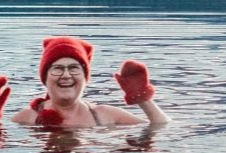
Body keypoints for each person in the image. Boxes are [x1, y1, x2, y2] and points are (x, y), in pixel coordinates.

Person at [10, 37, 169, 127]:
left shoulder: (106, 115)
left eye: (74, 68)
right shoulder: (28, 118)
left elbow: (160, 127)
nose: (66, 75)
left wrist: (144, 100)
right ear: (45, 78)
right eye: (57, 68)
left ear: (85, 78)